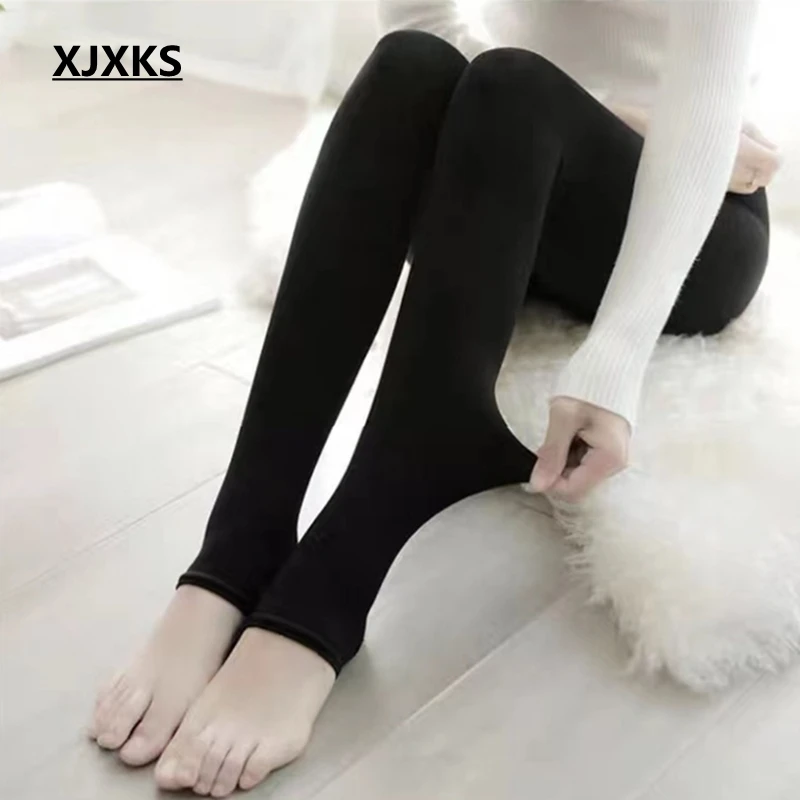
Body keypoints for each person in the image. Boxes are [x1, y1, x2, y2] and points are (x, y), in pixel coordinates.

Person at [87, 1, 781, 796]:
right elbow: (422, 20)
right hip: (504, 174)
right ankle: (240, 540)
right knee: (409, 66)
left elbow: (700, 117)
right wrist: (606, 109)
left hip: (693, 215)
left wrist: (613, 361)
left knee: (516, 85)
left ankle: (337, 577)